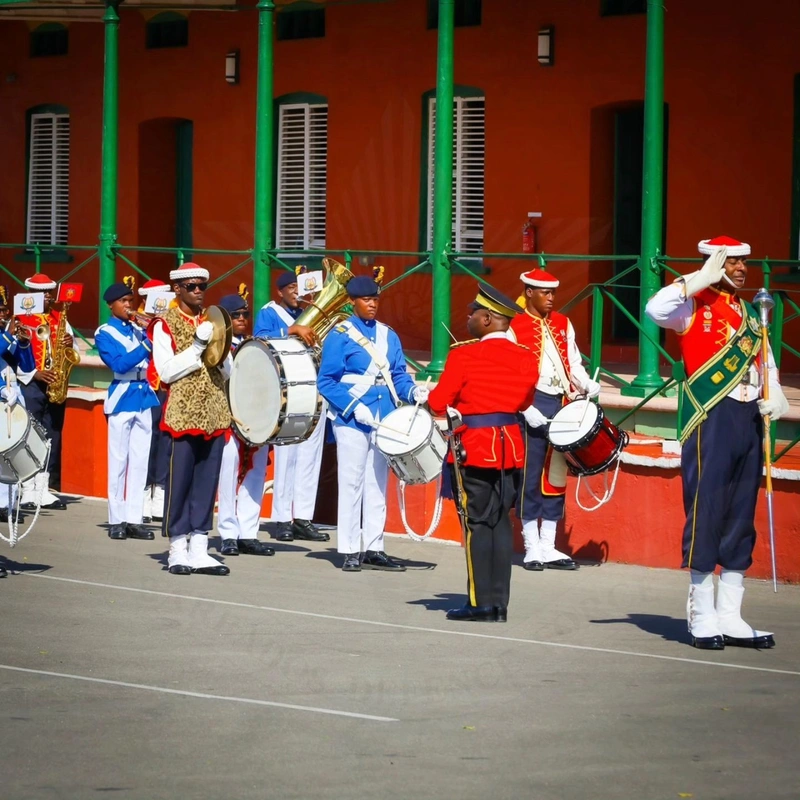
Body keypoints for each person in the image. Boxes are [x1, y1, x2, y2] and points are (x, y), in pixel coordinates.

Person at [645, 235, 789, 650]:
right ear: (714, 263)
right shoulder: (691, 304)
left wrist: (773, 387)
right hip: (712, 415)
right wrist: (695, 279)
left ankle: (730, 616)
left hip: (748, 415)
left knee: (742, 513)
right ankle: (701, 616)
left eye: (745, 262)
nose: (742, 269)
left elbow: (764, 355)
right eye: (732, 262)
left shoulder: (748, 311)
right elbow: (656, 309)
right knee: (706, 509)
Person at [428, 285, 538, 622]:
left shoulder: (463, 355)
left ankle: (479, 603)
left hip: (474, 448)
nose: (468, 318)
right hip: (511, 447)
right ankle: (500, 604)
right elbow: (524, 403)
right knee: (501, 524)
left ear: (488, 318)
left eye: (472, 314)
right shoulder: (526, 357)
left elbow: (437, 402)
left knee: (476, 525)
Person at [317, 271, 424, 572]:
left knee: (378, 483)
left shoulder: (389, 334)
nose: (372, 304)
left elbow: (398, 374)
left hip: (383, 415)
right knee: (351, 482)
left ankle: (375, 546)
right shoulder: (340, 335)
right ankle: (350, 549)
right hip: (352, 417)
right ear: (352, 303)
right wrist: (352, 406)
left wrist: (414, 390)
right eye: (366, 300)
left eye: (375, 299)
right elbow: (326, 381)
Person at [508, 269, 601, 571]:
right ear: (529, 292)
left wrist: (586, 383)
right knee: (530, 477)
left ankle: (549, 545)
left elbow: (573, 362)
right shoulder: (514, 324)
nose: (551, 299)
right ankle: (531, 545)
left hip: (561, 402)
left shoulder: (563, 323)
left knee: (555, 476)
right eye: (545, 293)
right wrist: (524, 409)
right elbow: (506, 375)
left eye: (553, 293)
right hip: (532, 402)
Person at [149, 263, 233, 576]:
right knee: (180, 481)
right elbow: (166, 371)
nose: (198, 292)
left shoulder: (215, 322)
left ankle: (200, 547)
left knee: (206, 483)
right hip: (182, 413)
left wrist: (221, 353)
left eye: (202, 286)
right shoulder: (164, 324)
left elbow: (229, 371)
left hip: (214, 411)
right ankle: (177, 548)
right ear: (178, 289)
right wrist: (197, 347)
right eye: (192, 286)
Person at [253, 269, 327, 543]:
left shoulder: (312, 311)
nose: (298, 292)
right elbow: (260, 339)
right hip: (287, 389)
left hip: (313, 386)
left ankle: (303, 518)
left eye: (301, 288)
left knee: (310, 457)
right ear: (280, 291)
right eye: (292, 288)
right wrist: (291, 330)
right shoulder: (270, 312)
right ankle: (282, 518)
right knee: (287, 458)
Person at [94, 280, 159, 541]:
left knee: (140, 462)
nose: (129, 306)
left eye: (130, 301)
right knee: (119, 461)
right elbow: (118, 364)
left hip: (144, 395)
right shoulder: (104, 333)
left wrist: (156, 334)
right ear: (111, 305)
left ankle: (134, 518)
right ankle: (116, 519)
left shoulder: (137, 329)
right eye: (123, 302)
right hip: (122, 395)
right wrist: (146, 344)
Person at [216, 286, 275, 557]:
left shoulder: (257, 346)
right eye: (235, 315)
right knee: (227, 476)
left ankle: (248, 532)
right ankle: (228, 533)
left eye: (245, 314)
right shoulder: (217, 348)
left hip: (256, 420)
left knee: (256, 475)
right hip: (229, 420)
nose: (241, 318)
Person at [16, 273, 79, 509]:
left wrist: (68, 343)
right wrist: (34, 374)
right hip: (30, 384)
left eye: (50, 292)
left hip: (55, 383)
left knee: (52, 435)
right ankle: (27, 488)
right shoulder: (20, 319)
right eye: (44, 293)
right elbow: (12, 356)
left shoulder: (58, 317)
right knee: (29, 436)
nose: (49, 297)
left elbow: (68, 341)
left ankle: (43, 487)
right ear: (31, 295)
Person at [137, 278, 172, 525]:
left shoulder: (169, 322)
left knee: (164, 441)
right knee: (146, 441)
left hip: (166, 387)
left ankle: (159, 491)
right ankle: (142, 494)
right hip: (146, 388)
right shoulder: (136, 322)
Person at [0, 284, 34, 523]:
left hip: (13, 396)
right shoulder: (4, 335)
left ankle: (9, 502)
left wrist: (24, 342)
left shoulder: (6, 334)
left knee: (10, 452)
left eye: (4, 308)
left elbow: (27, 366)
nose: (4, 313)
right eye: (0, 309)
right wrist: (10, 336)